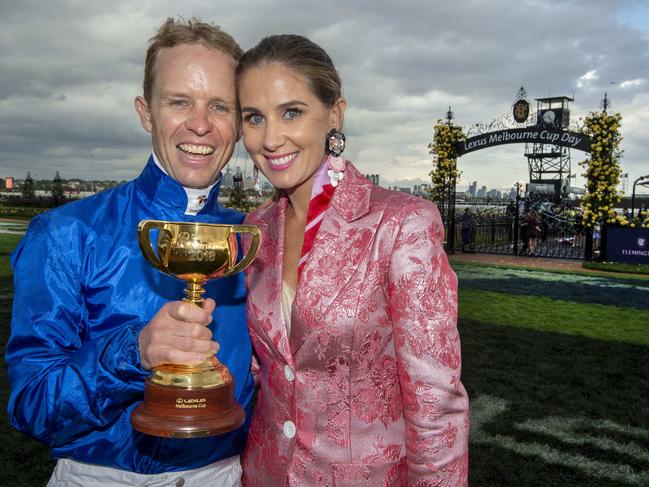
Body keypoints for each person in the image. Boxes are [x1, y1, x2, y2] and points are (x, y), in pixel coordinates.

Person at [6, 18, 254, 486]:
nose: (200, 124)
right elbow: (31, 407)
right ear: (145, 112)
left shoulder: (248, 238)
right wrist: (131, 353)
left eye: (220, 106)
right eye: (179, 101)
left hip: (226, 475)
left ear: (239, 123)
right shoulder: (65, 234)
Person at [236, 35, 469, 486]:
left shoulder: (401, 225)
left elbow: (436, 404)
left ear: (334, 114)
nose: (270, 138)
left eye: (292, 112)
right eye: (254, 117)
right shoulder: (256, 229)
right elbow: (267, 370)